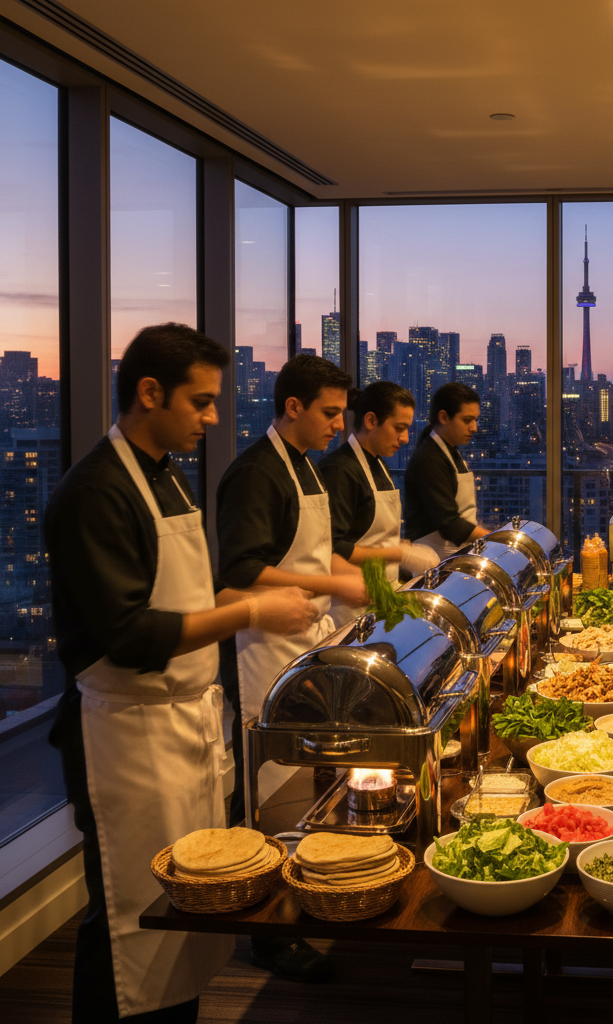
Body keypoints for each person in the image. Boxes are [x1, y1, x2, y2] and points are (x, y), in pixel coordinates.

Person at [45, 324, 318, 1024]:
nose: (214, 417)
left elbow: (196, 597)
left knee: (189, 912)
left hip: (185, 724)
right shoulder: (95, 492)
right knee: (126, 919)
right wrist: (250, 610)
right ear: (148, 392)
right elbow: (130, 634)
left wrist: (260, 603)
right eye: (200, 402)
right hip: (124, 738)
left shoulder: (165, 474)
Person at [216, 353, 366, 984]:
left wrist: (351, 580)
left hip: (308, 638)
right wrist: (330, 581)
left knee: (307, 790)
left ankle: (312, 900)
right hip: (264, 649)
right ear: (294, 407)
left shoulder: (304, 467)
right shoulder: (254, 473)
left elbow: (314, 550)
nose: (338, 425)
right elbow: (243, 572)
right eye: (330, 413)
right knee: (272, 796)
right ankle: (270, 935)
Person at [318, 381, 438, 626]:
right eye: (399, 428)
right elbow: (333, 546)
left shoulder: (379, 464)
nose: (404, 438)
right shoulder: (340, 470)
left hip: (381, 599)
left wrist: (402, 549)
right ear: (371, 421)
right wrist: (399, 553)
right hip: (349, 610)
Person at [404, 382, 489, 558]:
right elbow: (449, 523)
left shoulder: (449, 450)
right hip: (432, 560)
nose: (474, 428)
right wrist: (494, 538)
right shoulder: (430, 458)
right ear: (443, 417)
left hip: (453, 554)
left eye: (475, 420)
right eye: (467, 420)